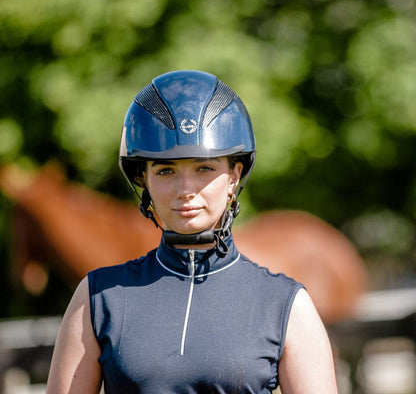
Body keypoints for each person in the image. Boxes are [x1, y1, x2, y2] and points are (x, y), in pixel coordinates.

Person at [46, 70, 338, 393]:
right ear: (143, 180)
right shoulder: (97, 298)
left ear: (234, 177)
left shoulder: (287, 305)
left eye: (204, 168)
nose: (186, 190)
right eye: (166, 170)